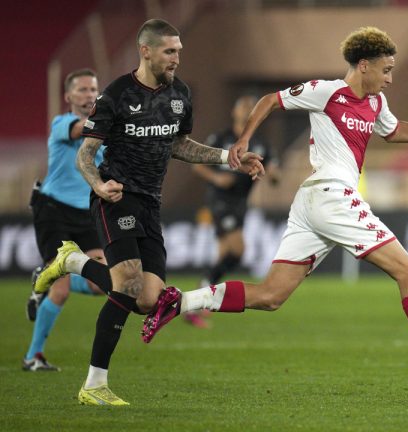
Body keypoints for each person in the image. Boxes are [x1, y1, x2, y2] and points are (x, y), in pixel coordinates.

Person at [142, 26, 408, 391]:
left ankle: (181, 301)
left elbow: (393, 131)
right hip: (330, 195)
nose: (390, 78)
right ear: (364, 65)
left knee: (271, 296)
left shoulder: (376, 103)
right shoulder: (327, 92)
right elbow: (270, 100)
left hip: (315, 203)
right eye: (386, 69)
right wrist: (244, 139)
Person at [36, 18, 263, 406]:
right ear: (146, 50)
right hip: (116, 196)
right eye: (169, 51)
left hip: (150, 203)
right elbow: (86, 156)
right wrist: (98, 185)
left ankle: (72, 261)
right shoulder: (116, 95)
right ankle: (94, 385)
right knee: (127, 285)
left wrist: (229, 158)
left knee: (147, 300)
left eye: (178, 51)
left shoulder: (180, 94)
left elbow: (180, 145)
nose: (177, 58)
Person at [24, 69, 114, 372]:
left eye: (94, 89)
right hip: (54, 212)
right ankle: (33, 357)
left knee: (104, 283)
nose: (89, 95)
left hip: (86, 213)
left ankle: (45, 275)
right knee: (60, 290)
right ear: (69, 97)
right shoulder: (63, 123)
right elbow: (80, 131)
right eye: (83, 90)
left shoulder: (103, 135)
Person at [187, 95, 279, 328]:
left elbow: (274, 174)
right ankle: (200, 297)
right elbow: (197, 165)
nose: (248, 110)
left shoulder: (261, 144)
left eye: (253, 107)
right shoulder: (221, 138)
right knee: (238, 250)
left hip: (240, 202)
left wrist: (271, 174)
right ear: (234, 112)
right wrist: (217, 178)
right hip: (220, 200)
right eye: (244, 106)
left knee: (224, 254)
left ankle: (196, 302)